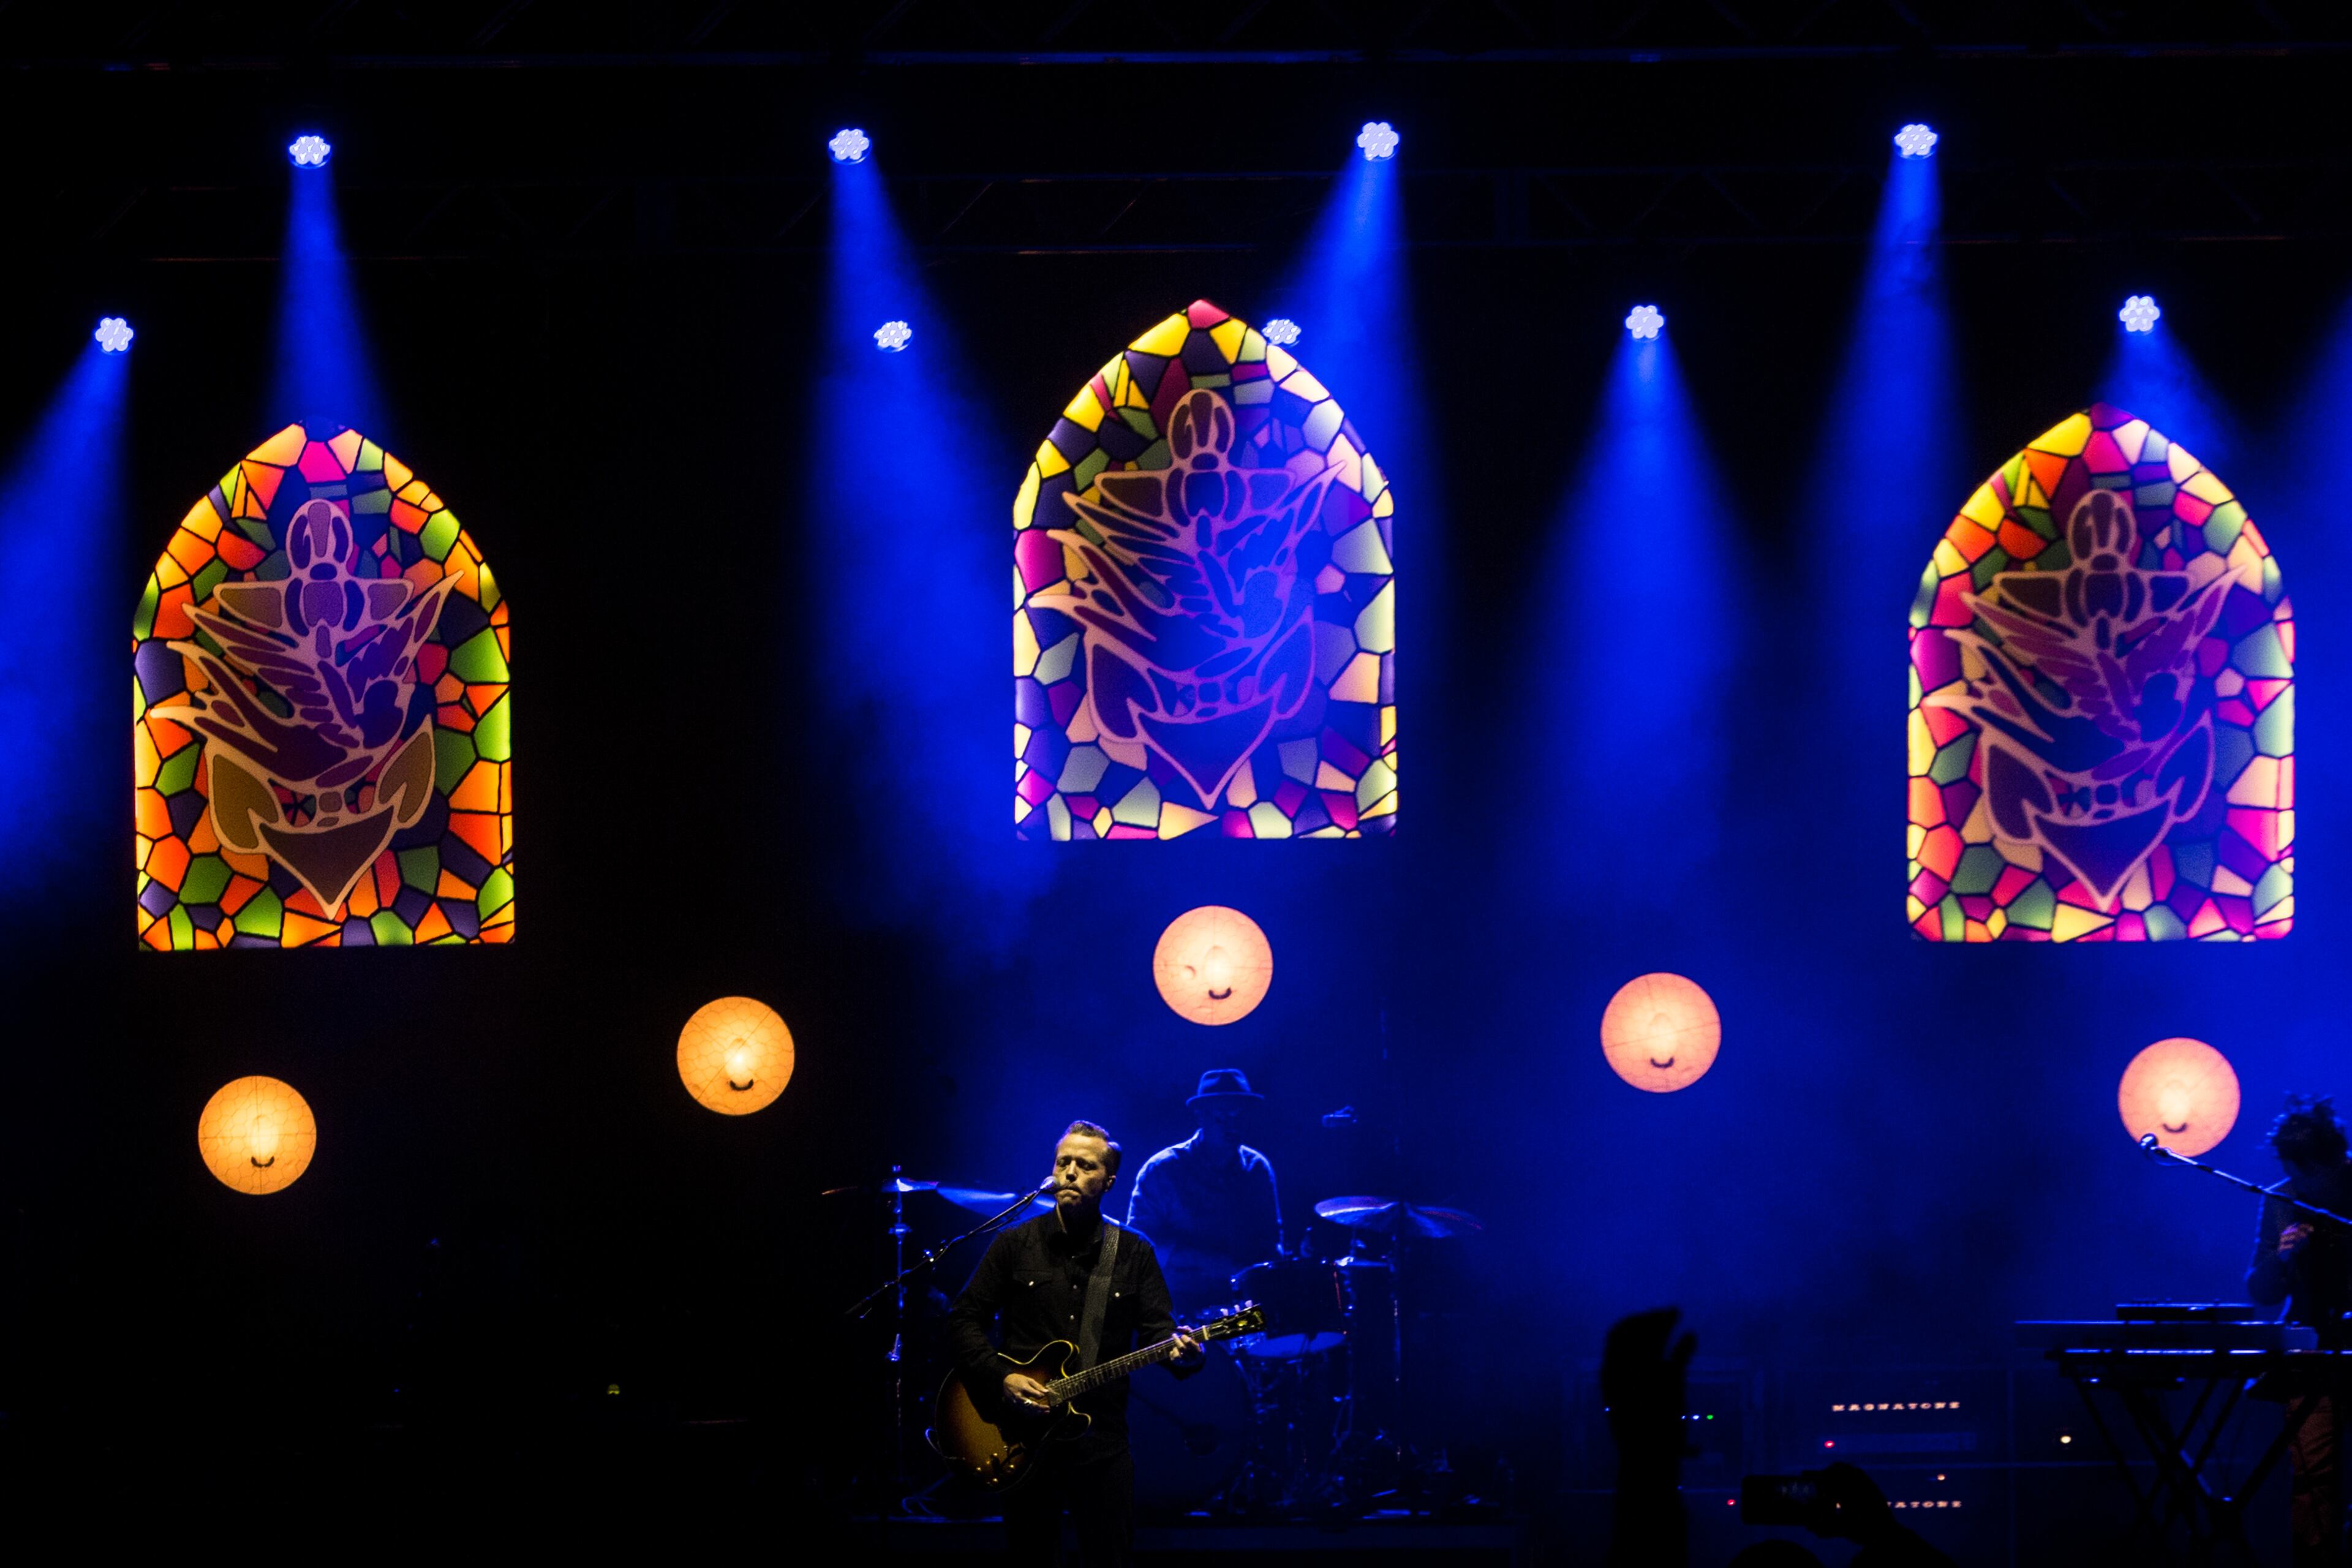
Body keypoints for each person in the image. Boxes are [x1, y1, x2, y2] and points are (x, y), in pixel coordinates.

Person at [947, 1120, 1202, 1567]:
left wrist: (1185, 1352)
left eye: (1084, 1166)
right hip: (1022, 1441)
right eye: (1063, 1162)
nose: (1069, 1172)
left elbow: (1160, 1332)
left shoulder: (1134, 1252)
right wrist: (1002, 1377)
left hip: (1101, 1444)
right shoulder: (1015, 1243)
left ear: (1109, 1181)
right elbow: (963, 1320)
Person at [2247, 1094, 2352, 1566]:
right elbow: (2260, 1290)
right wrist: (2283, 1258)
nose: (2305, 1183)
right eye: (2295, 1170)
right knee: (2313, 1475)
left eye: (2310, 1171)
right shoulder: (2282, 1200)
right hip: (2311, 1357)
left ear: (2333, 1159)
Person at [1124, 1069, 1283, 1314]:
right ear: (1201, 1116)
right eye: (1222, 1117)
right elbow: (1138, 1247)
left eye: (1238, 1117)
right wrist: (1204, 1261)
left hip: (1244, 1305)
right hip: (1177, 1308)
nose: (1232, 1126)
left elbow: (1271, 1242)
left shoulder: (1257, 1169)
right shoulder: (1162, 1170)